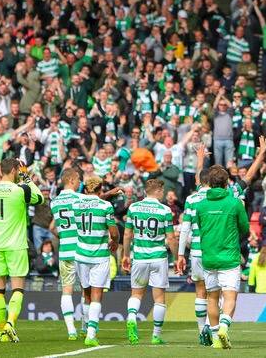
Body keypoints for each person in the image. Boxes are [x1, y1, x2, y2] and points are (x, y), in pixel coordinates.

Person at [0, 157, 44, 342]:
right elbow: (40, 198)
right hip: (16, 245)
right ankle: (10, 323)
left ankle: (2, 333)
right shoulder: (21, 190)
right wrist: (26, 177)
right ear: (14, 170)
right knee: (18, 288)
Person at [195, 165, 250, 349]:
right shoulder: (234, 203)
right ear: (226, 183)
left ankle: (216, 338)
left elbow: (200, 226)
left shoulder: (201, 205)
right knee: (229, 296)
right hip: (229, 256)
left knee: (212, 297)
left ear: (209, 183)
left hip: (209, 257)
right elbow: (245, 228)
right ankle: (224, 328)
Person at [122, 179, 178, 346]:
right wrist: (176, 258)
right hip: (158, 258)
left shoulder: (134, 208)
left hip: (139, 257)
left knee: (136, 293)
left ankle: (132, 317)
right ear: (159, 191)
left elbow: (127, 235)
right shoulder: (165, 210)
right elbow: (171, 238)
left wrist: (126, 255)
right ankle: (156, 335)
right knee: (159, 298)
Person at [74, 176, 119, 347]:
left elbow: (90, 202)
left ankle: (85, 327)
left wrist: (107, 193)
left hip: (81, 254)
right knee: (96, 294)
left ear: (85, 190)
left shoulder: (76, 204)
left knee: (86, 293)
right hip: (99, 255)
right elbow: (113, 233)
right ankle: (91, 334)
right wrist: (115, 241)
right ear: (100, 189)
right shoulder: (106, 206)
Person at [176, 146, 213, 346]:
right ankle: (210, 326)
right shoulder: (220, 197)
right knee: (217, 291)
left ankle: (201, 332)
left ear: (200, 181)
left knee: (200, 291)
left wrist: (181, 254)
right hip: (215, 251)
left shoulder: (191, 199)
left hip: (196, 251)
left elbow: (184, 229)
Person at [49, 168, 82, 340]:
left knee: (67, 290)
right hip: (82, 250)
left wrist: (63, 235)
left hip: (65, 251)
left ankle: (71, 331)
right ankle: (85, 327)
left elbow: (52, 228)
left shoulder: (54, 202)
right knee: (88, 290)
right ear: (71, 179)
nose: (80, 182)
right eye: (78, 179)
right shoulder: (79, 198)